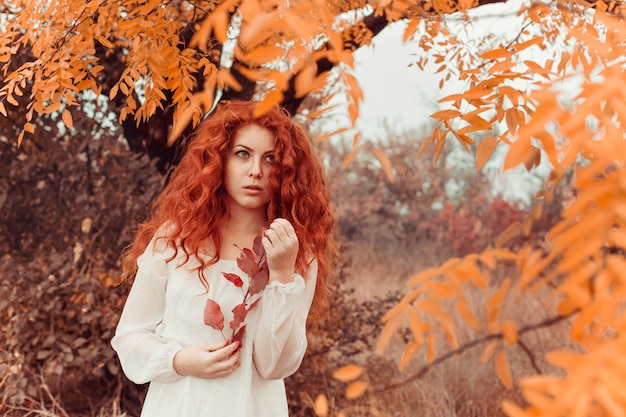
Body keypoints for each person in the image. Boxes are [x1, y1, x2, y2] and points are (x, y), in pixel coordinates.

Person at [111, 100, 336, 417]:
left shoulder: (294, 250)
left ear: (284, 170)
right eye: (242, 154)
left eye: (270, 159)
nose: (255, 171)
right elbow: (130, 336)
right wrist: (180, 360)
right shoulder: (174, 240)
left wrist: (283, 275)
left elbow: (275, 366)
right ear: (220, 159)